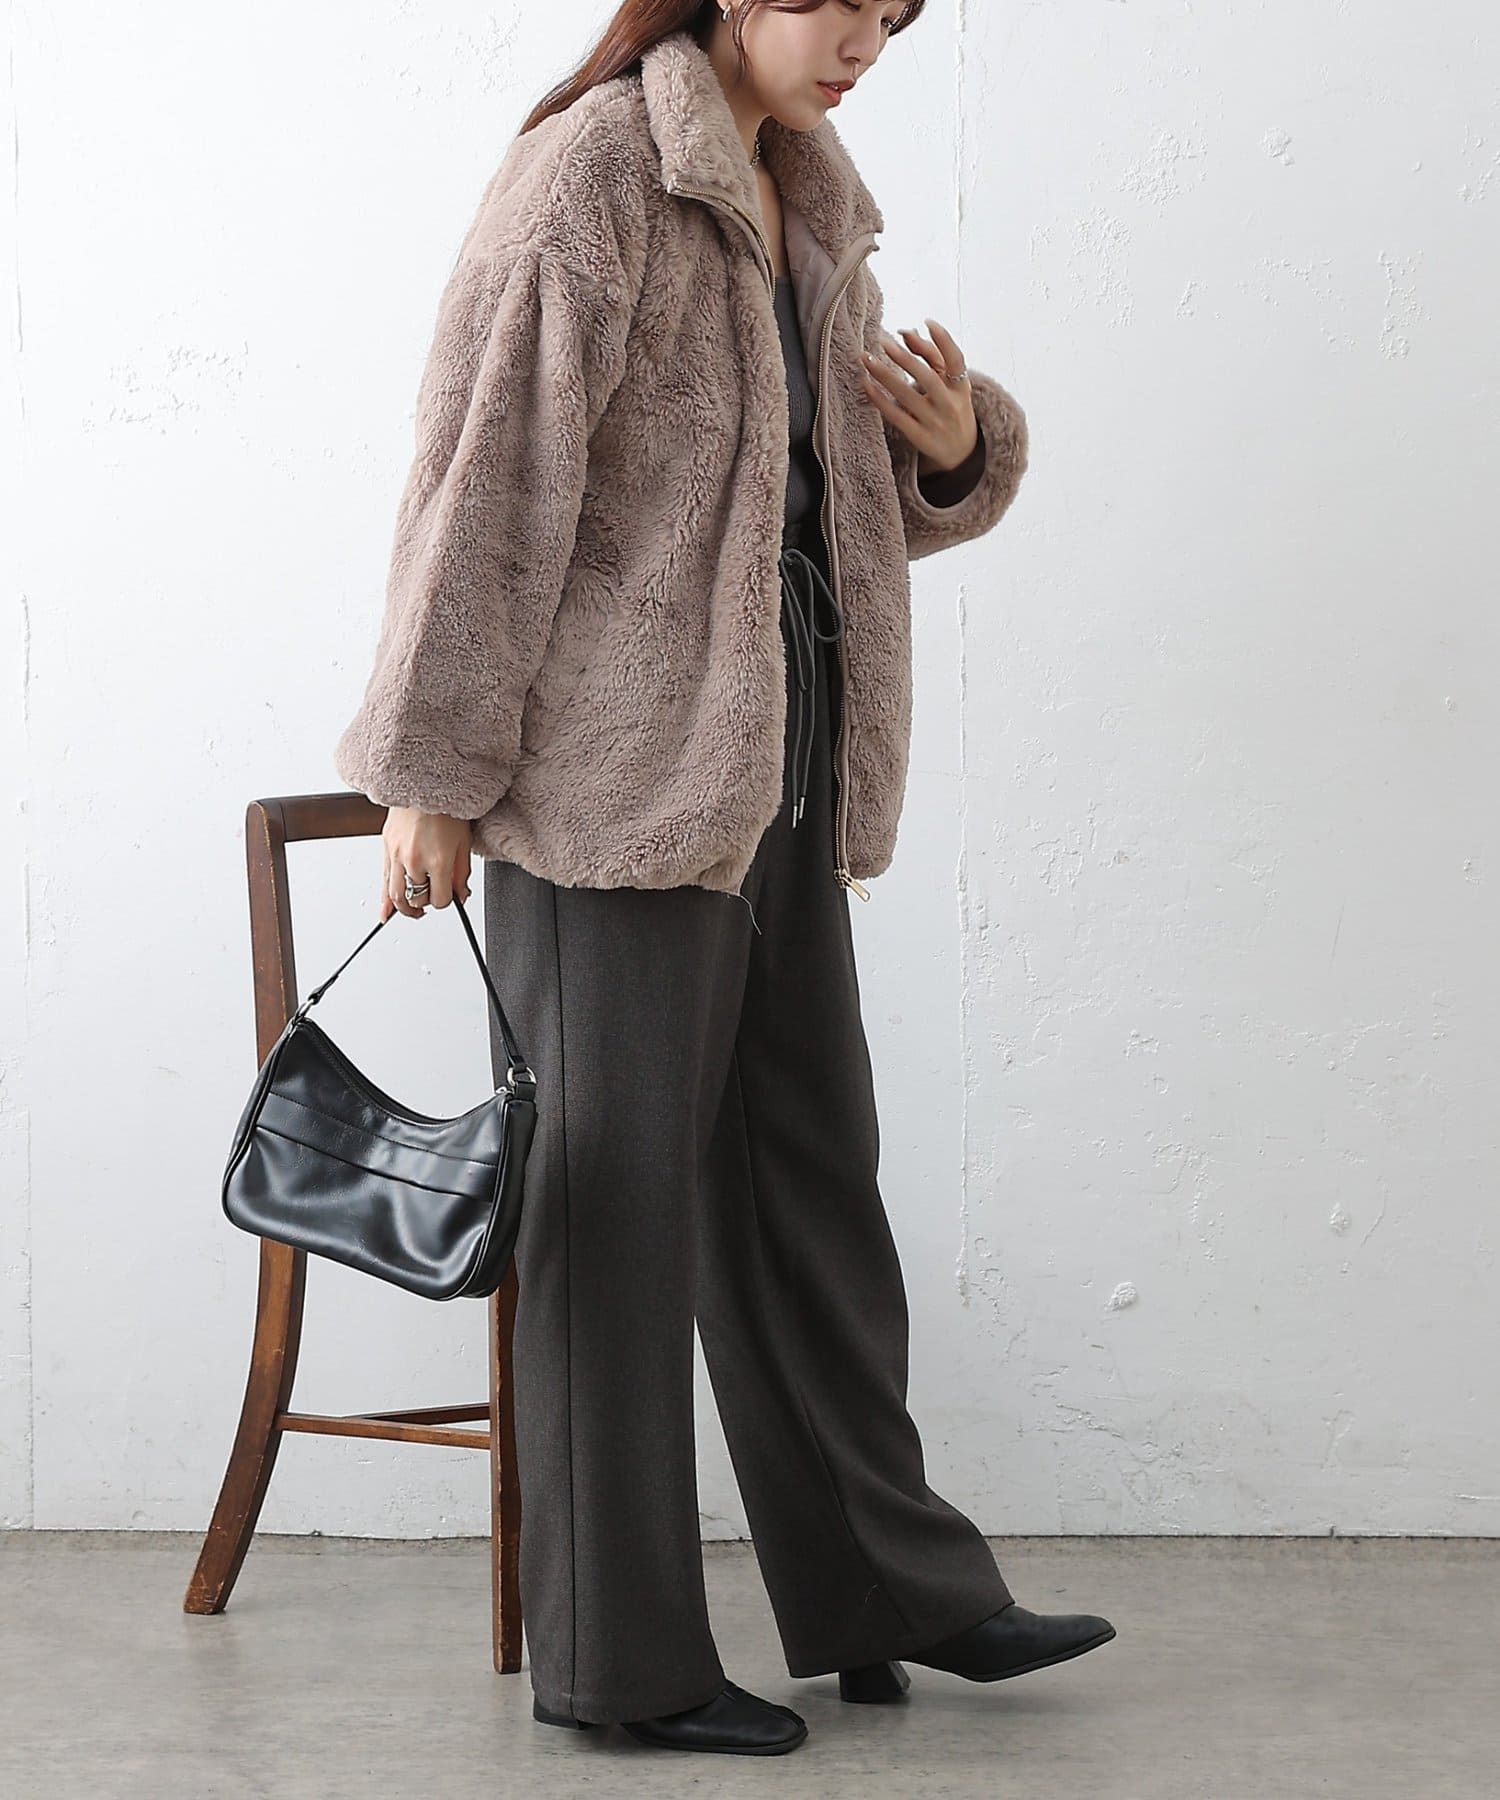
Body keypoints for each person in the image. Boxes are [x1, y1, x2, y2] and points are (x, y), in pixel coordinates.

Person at [333, 0, 1115, 1759]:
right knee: (613, 1208)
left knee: (808, 1176)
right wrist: (433, 773)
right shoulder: (595, 175)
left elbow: (793, 494)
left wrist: (946, 451)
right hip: (613, 778)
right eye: (839, 1)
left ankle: (892, 1588)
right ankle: (620, 1666)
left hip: (780, 753)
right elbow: (487, 477)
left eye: (893, 13)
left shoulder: (801, 190)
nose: (866, 40)